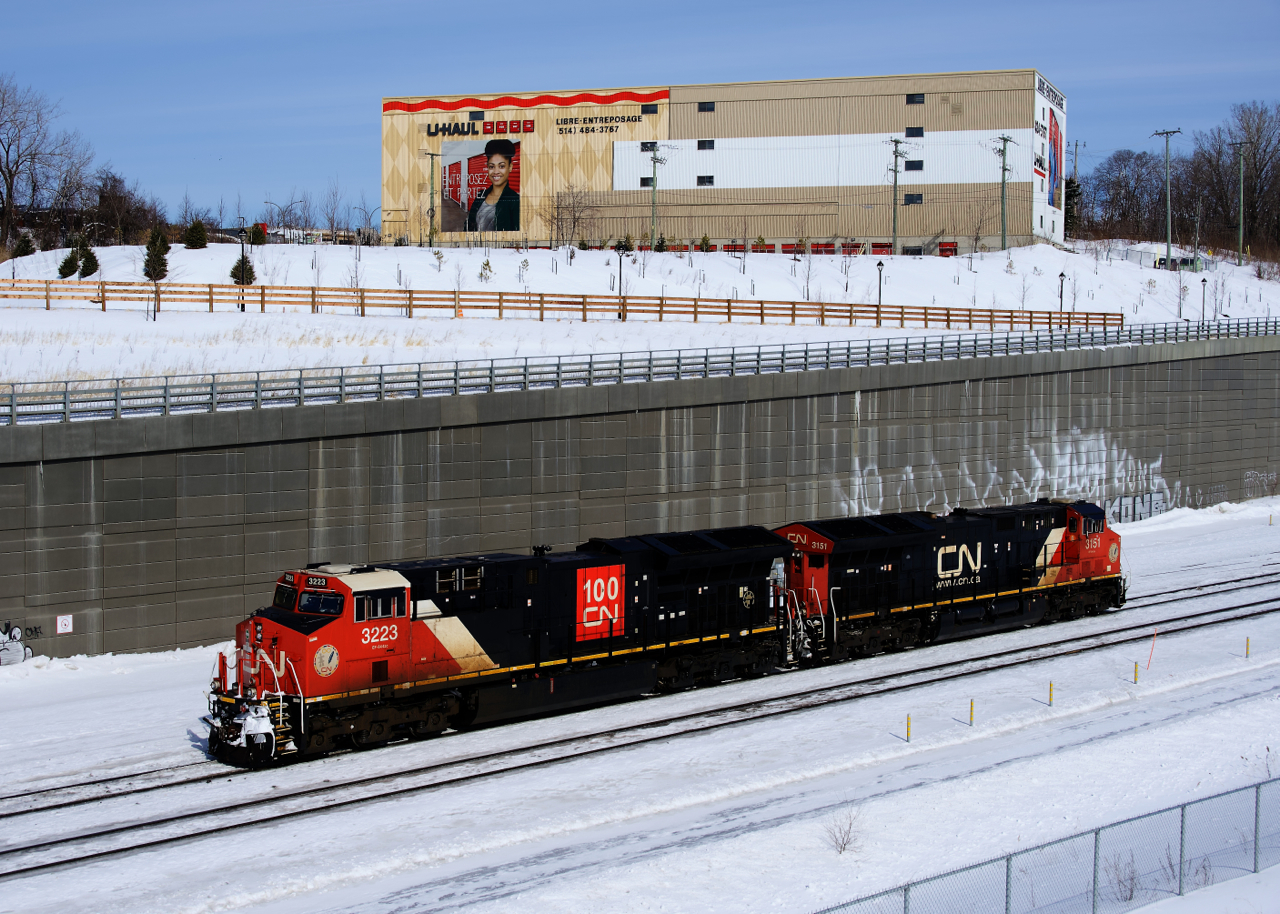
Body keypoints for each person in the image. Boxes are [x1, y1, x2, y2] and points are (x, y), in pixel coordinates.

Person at [466, 139, 520, 232]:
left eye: (501, 166)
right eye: (491, 166)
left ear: (510, 167)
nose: (496, 172)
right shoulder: (480, 195)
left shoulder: (515, 201)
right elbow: (468, 225)